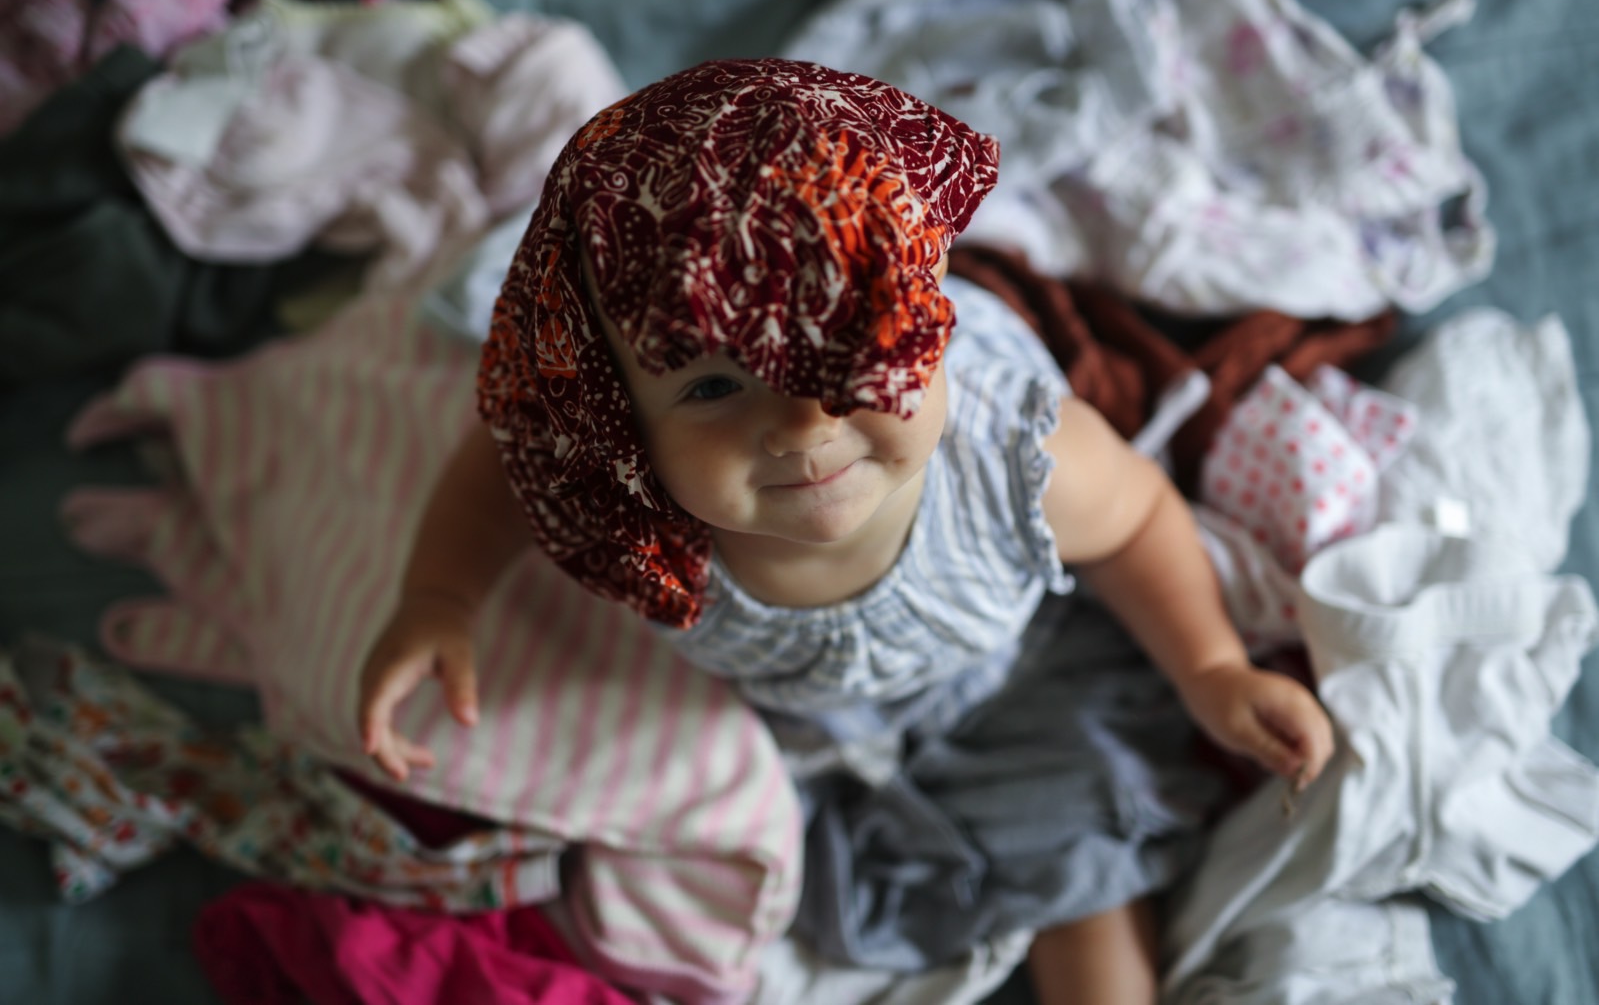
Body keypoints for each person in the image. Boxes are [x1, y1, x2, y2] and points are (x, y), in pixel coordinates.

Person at [357, 58, 1334, 1005]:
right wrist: (438, 595)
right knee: (688, 893)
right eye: (710, 386)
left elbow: (1135, 526)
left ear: (923, 323)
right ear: (617, 411)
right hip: (805, 722)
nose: (802, 424)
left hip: (1011, 670)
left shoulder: (1018, 457)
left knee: (1080, 865)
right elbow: (506, 456)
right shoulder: (616, 478)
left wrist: (1211, 668)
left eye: (848, 351)